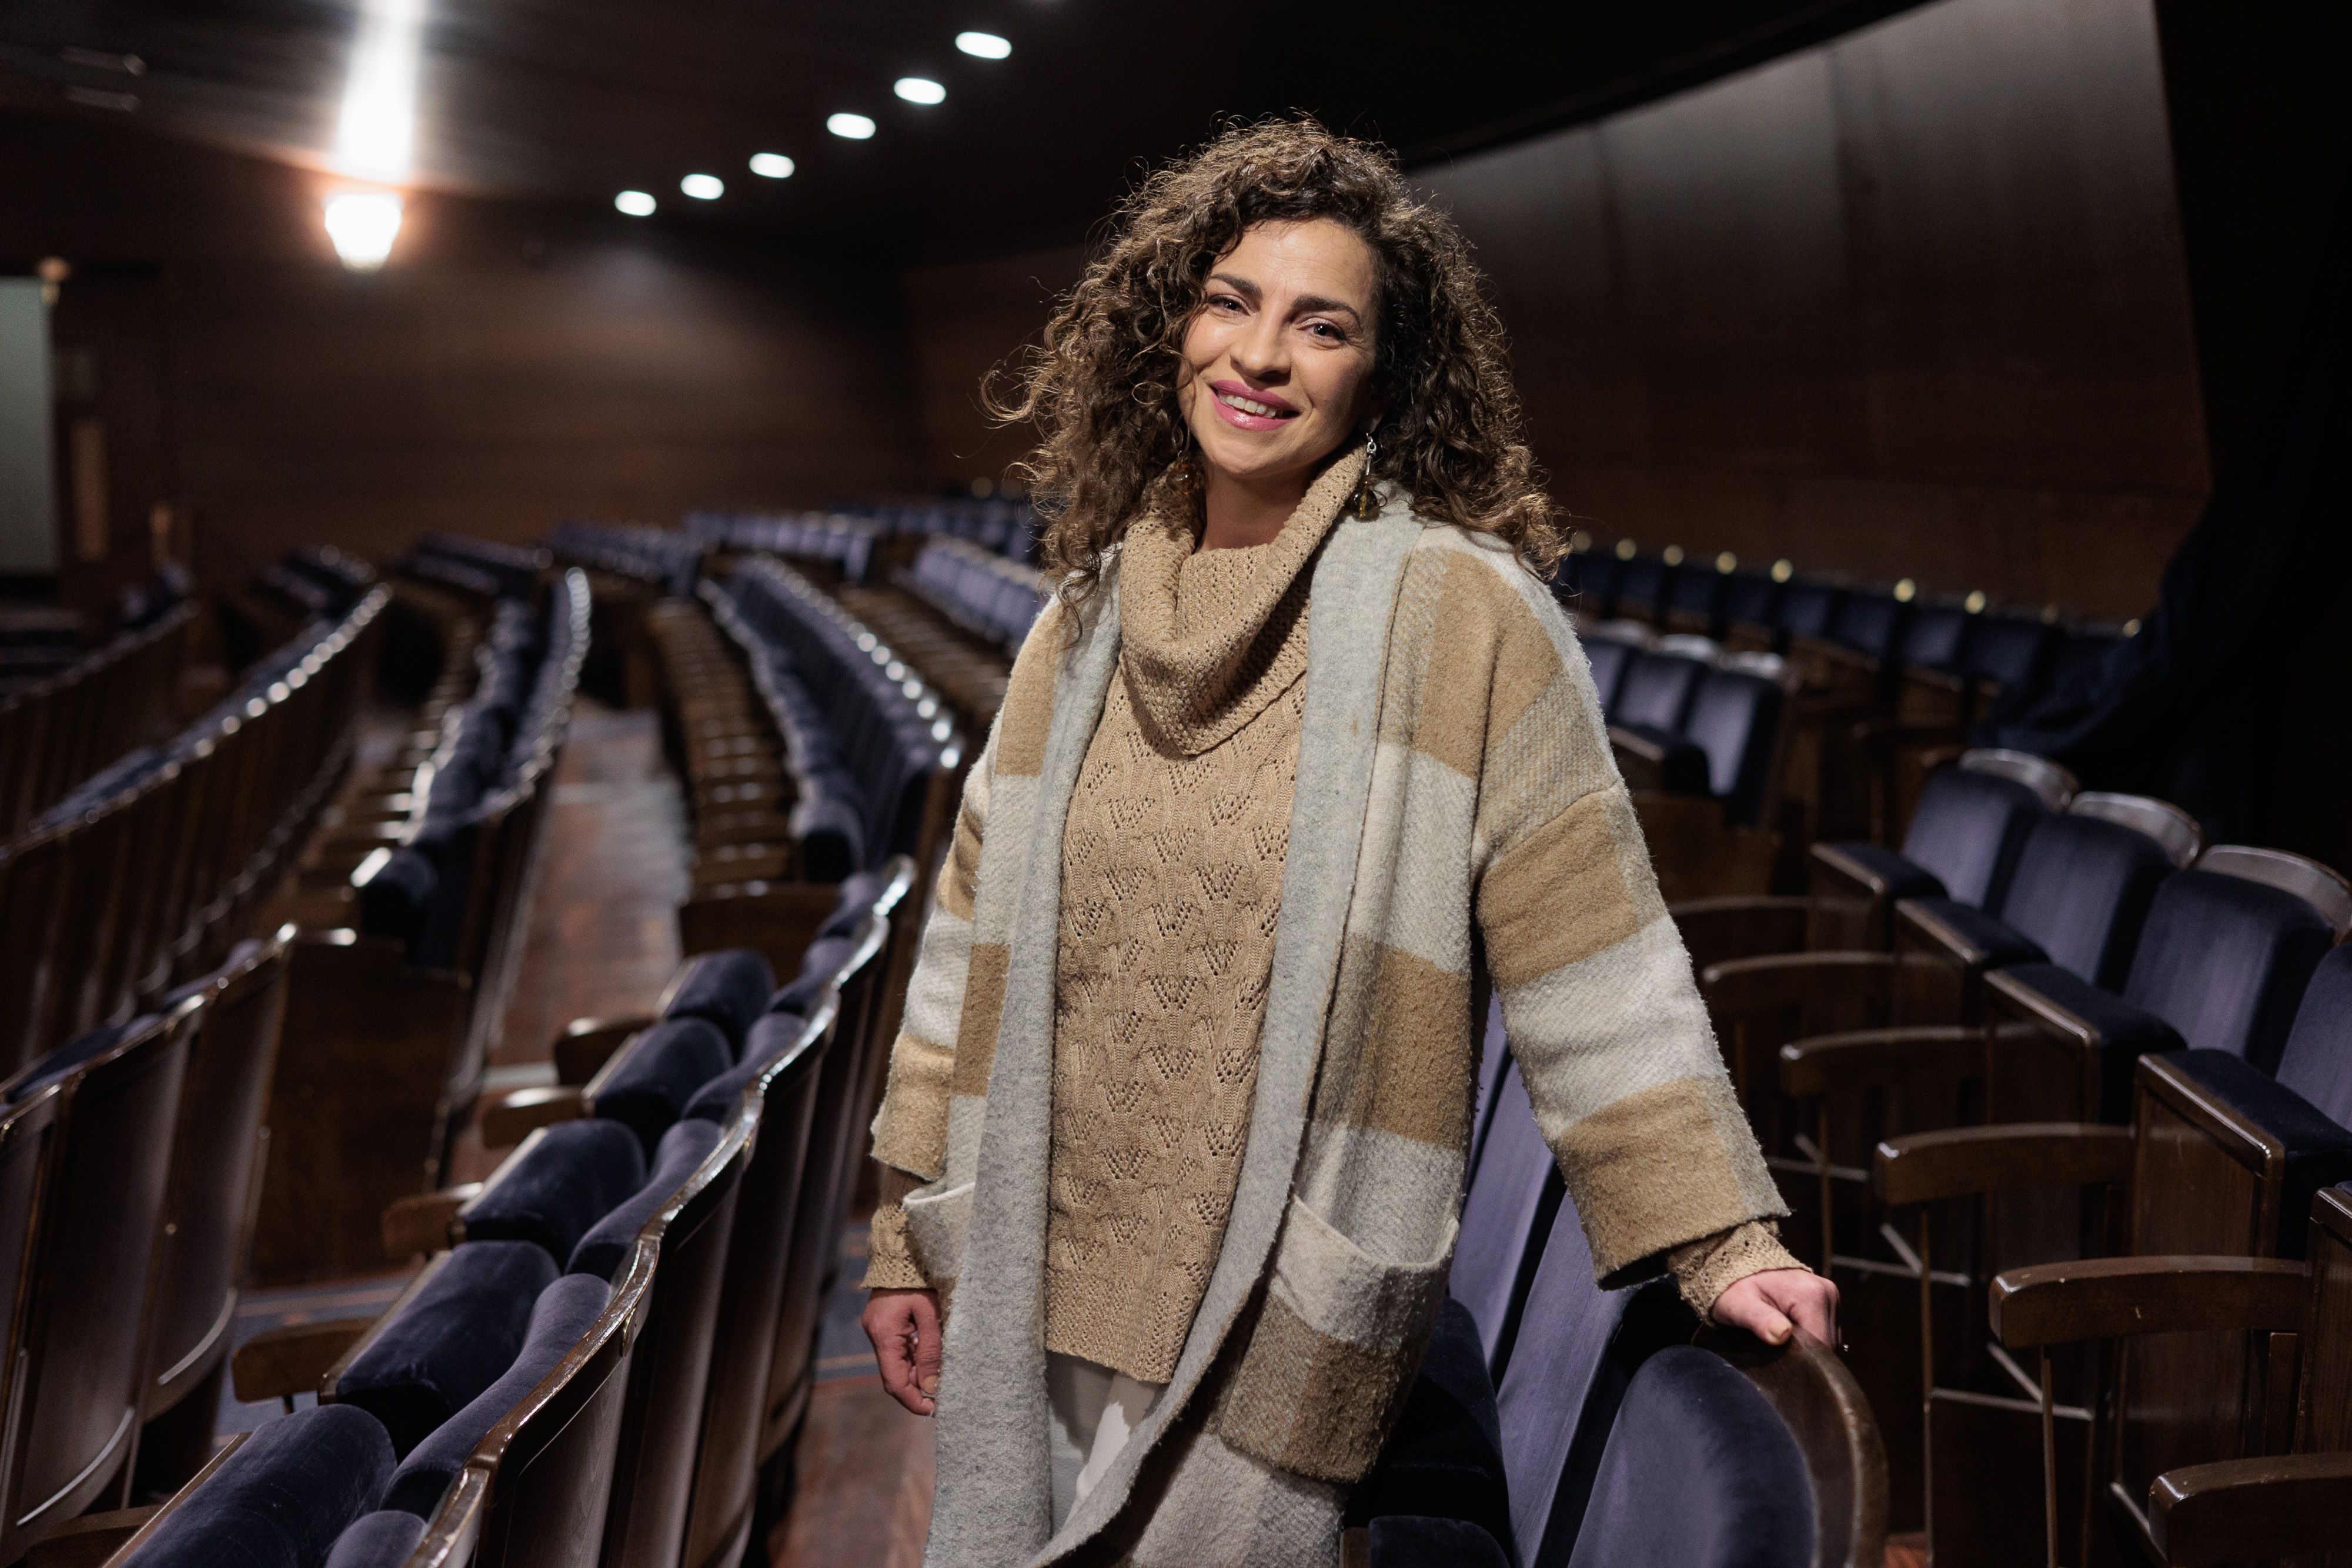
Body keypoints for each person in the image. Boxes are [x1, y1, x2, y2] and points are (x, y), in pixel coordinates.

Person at [859, 118, 1838, 1567]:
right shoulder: (1080, 625)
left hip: (1274, 1299)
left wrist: (1716, 1236)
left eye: (1320, 327)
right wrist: (903, 1226)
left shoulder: (1464, 617)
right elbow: (966, 944)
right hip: (1033, 1264)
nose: (1258, 358)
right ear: (1165, 326)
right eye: (1229, 303)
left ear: (1381, 373)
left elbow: (1594, 953)